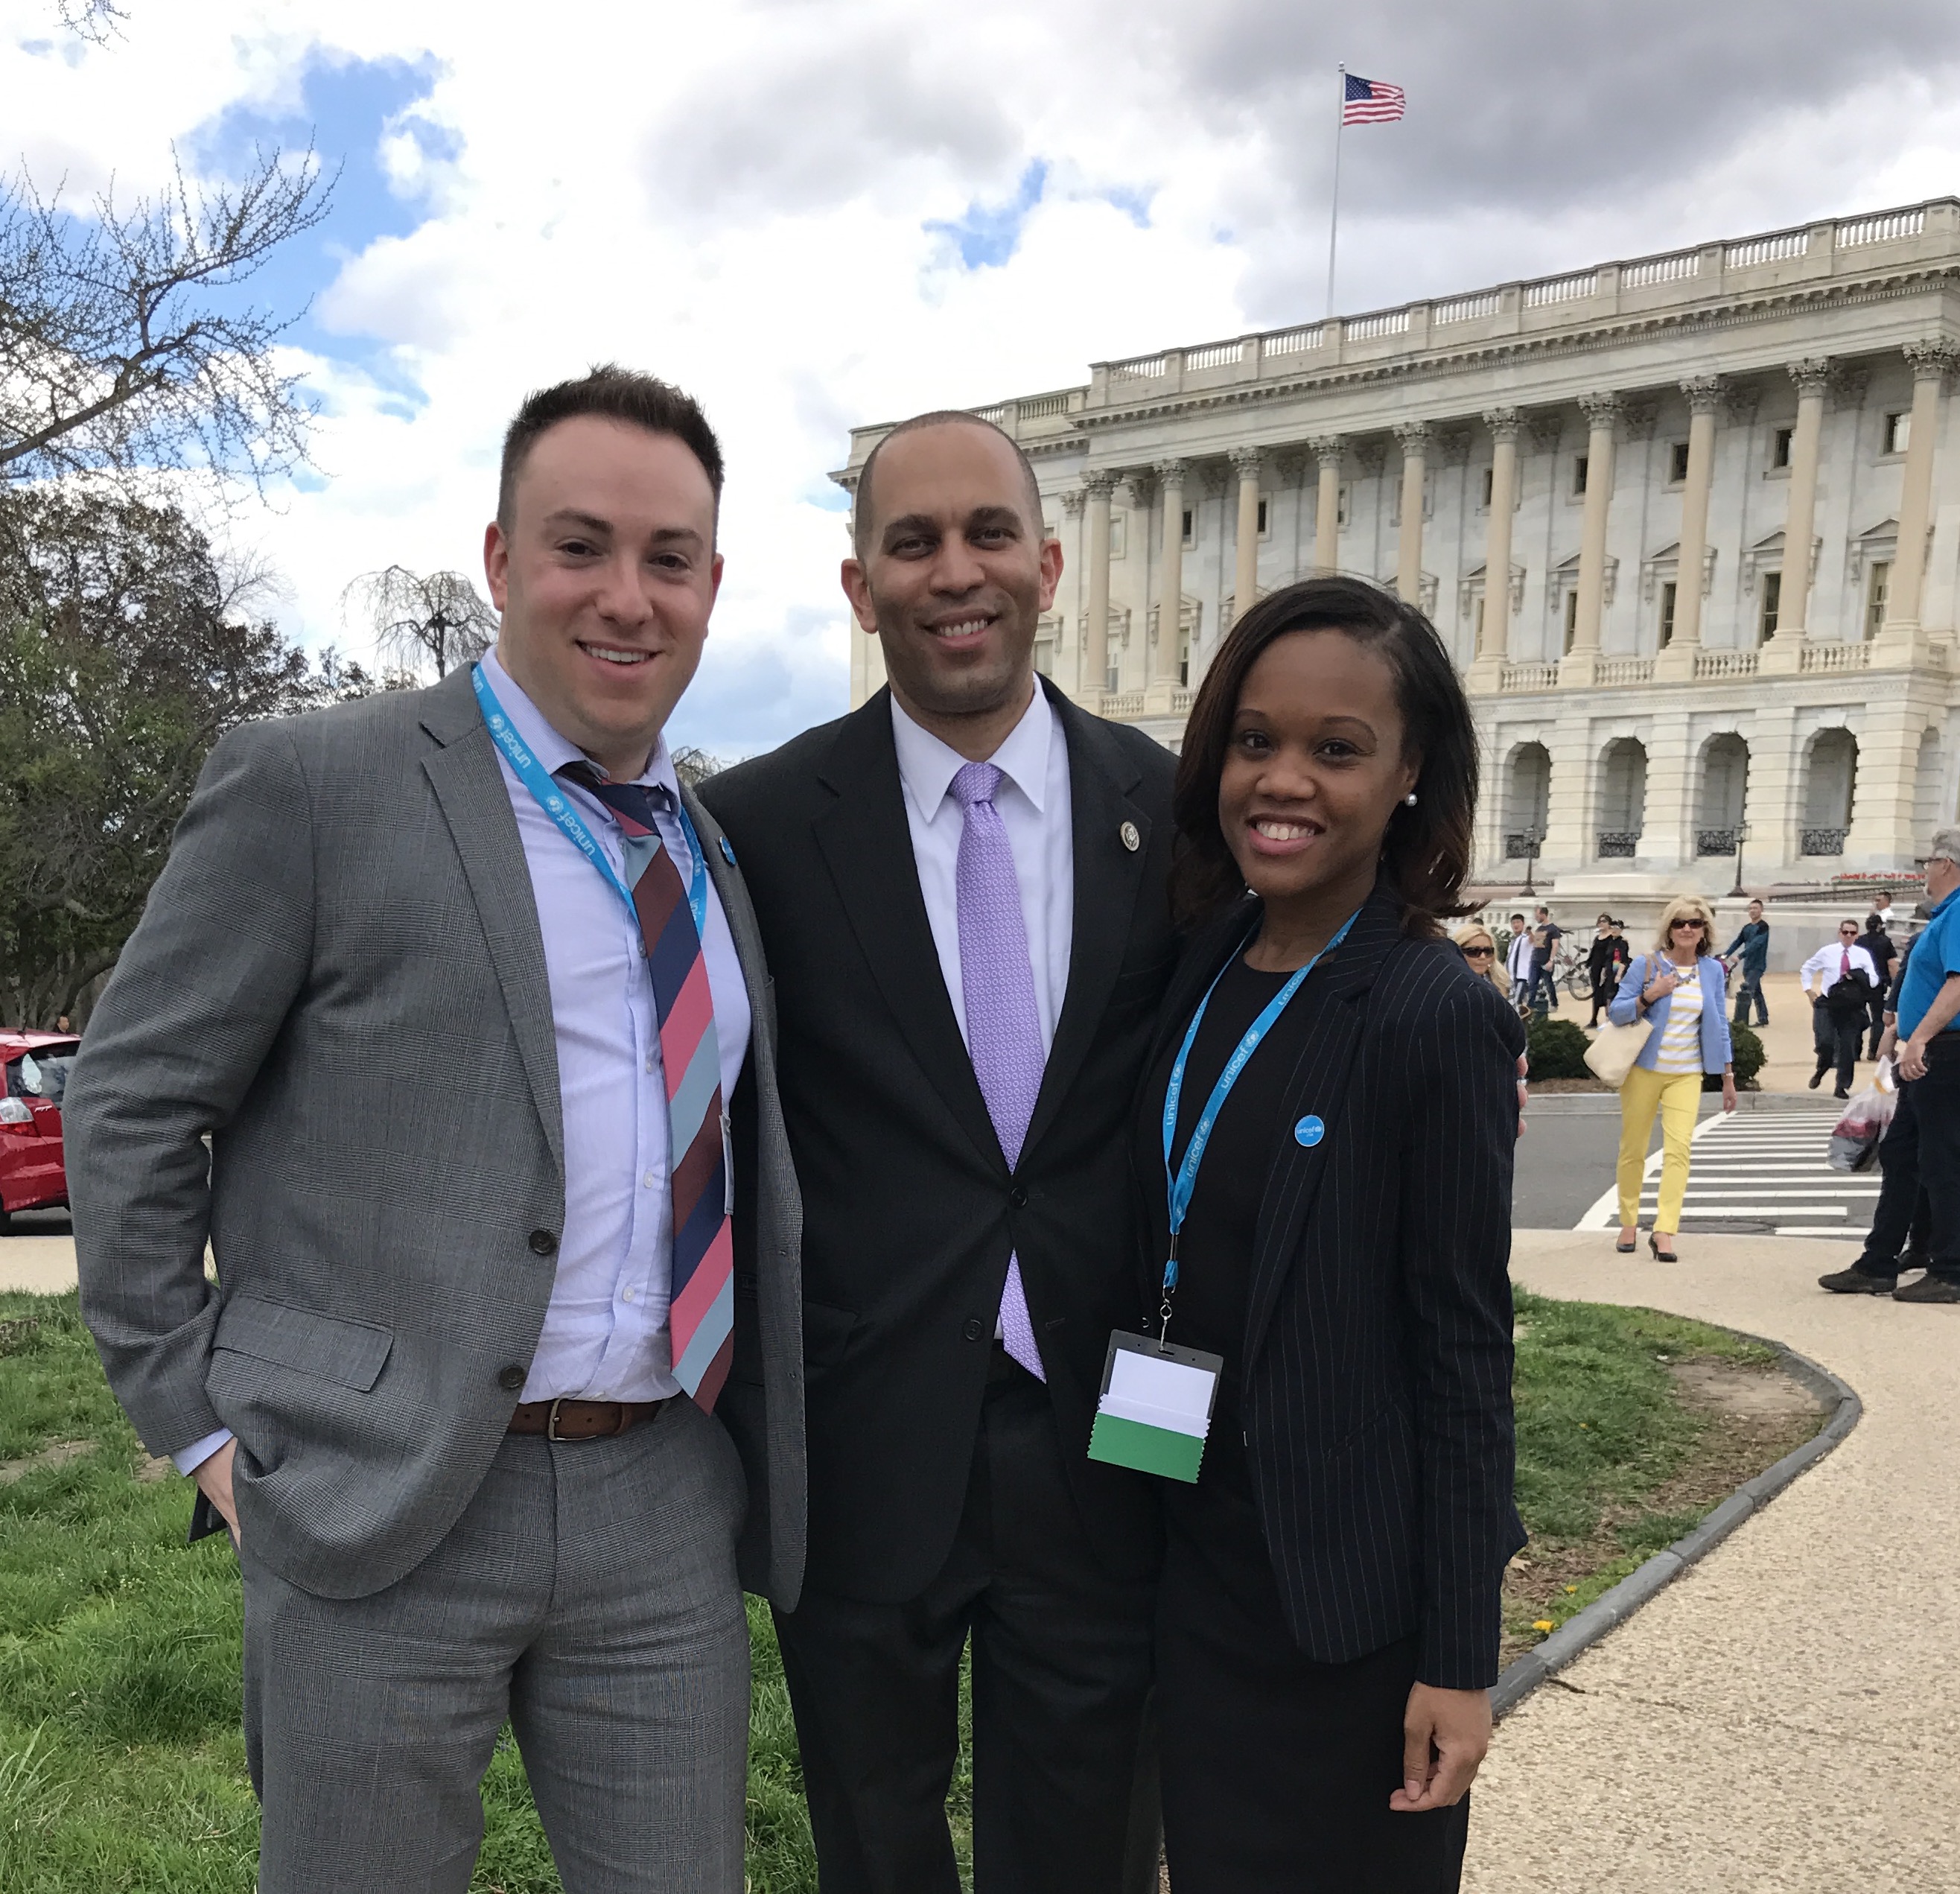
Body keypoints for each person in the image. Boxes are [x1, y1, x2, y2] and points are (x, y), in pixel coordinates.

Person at [65, 368, 805, 1894]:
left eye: (668, 557)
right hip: (372, 1486)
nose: (627, 595)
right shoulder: (317, 781)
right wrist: (195, 1424)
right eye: (579, 545)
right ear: (498, 559)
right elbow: (133, 1098)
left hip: (658, 1492)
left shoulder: (708, 843)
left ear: (714, 584)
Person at [699, 411, 1171, 1894]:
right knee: (874, 1840)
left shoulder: (1170, 810)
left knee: (1089, 1841)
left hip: (1118, 1428)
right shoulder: (756, 828)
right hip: (856, 1431)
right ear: (859, 585)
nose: (950, 571)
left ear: (1044, 563)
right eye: (910, 541)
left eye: (983, 535)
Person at [1133, 575, 1525, 1894]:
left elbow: (1465, 1353)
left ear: (1410, 771)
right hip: (1193, 1576)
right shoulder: (1201, 960)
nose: (1282, 779)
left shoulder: (1430, 1014)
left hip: (1344, 1615)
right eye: (1255, 740)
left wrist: (1460, 1656)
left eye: (1335, 748)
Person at [1822, 830, 1960, 1303]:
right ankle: (1879, 1262)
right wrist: (1903, 1035)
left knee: (1943, 1162)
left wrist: (1919, 1038)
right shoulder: (1946, 915)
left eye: (1928, 861)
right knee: (1902, 1155)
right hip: (1929, 1051)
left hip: (1945, 1052)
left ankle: (1951, 1270)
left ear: (1947, 864)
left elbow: (1958, 984)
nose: (1923, 870)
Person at [1609, 896, 1737, 1262]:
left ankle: (1665, 1230)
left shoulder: (1712, 970)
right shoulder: (1646, 965)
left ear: (1704, 931)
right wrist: (1652, 994)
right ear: (1669, 928)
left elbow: (1720, 1024)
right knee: (1633, 1148)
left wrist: (1727, 1075)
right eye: (1679, 923)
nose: (1686, 929)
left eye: (1694, 923)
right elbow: (1617, 1012)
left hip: (1687, 1073)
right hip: (1644, 1071)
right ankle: (1629, 1221)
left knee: (1680, 1151)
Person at [1801, 920, 1880, 1098]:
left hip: (1851, 1006)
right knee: (1825, 1043)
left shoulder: (1862, 955)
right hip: (1828, 1002)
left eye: (1853, 933)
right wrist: (1809, 991)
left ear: (1857, 935)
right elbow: (1807, 968)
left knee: (1847, 1048)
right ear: (1840, 933)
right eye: (1846, 932)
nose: (1849, 936)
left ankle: (1841, 1086)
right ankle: (1822, 1068)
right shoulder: (1828, 952)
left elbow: (1874, 979)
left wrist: (1857, 976)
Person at [1722, 898, 1771, 1027]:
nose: (1753, 911)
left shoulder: (1763, 927)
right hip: (1748, 965)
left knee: (1747, 990)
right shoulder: (1747, 928)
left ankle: (1742, 1022)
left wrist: (1740, 955)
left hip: (1757, 965)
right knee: (1756, 992)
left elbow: (1756, 944)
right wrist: (1725, 955)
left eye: (1755, 908)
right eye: (1751, 908)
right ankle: (1763, 1018)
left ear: (1761, 910)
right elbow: (1738, 942)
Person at [1857, 912, 1897, 1060]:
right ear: (1880, 926)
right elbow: (1891, 964)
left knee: (1857, 1017)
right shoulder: (1885, 942)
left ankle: (1855, 1052)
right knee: (1878, 1019)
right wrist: (1895, 984)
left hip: (1860, 984)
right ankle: (1873, 1051)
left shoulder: (1859, 941)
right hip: (1879, 985)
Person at [1585, 911, 1627, 1028]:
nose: (1601, 923)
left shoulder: (1616, 941)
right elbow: (1594, 952)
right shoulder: (1600, 938)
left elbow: (1618, 958)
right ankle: (1595, 1019)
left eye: (1604, 921)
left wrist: (1615, 972)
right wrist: (1588, 964)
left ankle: (1609, 1020)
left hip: (1608, 969)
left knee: (1608, 994)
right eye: (1600, 921)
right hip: (1597, 968)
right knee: (1597, 994)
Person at [1527, 904, 1563, 1012]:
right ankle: (1531, 1005)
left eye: (1537, 915)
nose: (1536, 918)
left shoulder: (1553, 929)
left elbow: (1555, 945)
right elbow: (1533, 942)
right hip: (1535, 958)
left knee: (1548, 982)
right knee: (1533, 983)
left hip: (1545, 959)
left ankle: (1554, 1003)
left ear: (1543, 914)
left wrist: (1551, 960)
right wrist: (1530, 933)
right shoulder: (1539, 928)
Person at [1452, 921, 1504, 988]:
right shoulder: (1448, 985)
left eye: (1487, 951)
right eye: (1474, 951)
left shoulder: (1502, 984)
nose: (1483, 957)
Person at [1504, 912, 1534, 1008]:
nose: (1516, 925)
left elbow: (1532, 940)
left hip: (1521, 977)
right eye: (1514, 923)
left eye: (1518, 922)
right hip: (1511, 978)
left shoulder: (1525, 938)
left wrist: (1529, 932)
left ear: (1523, 924)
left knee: (1517, 1003)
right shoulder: (1513, 941)